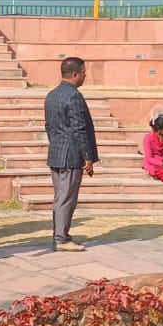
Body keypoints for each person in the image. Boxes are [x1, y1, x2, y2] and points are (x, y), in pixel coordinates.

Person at [42, 56, 98, 251]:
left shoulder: (52, 95)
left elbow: (48, 126)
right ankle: (61, 239)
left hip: (57, 153)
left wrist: (57, 145)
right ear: (75, 74)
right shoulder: (73, 96)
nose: (85, 76)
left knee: (60, 197)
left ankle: (60, 235)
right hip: (71, 155)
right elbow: (79, 128)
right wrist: (88, 156)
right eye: (83, 72)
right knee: (66, 199)